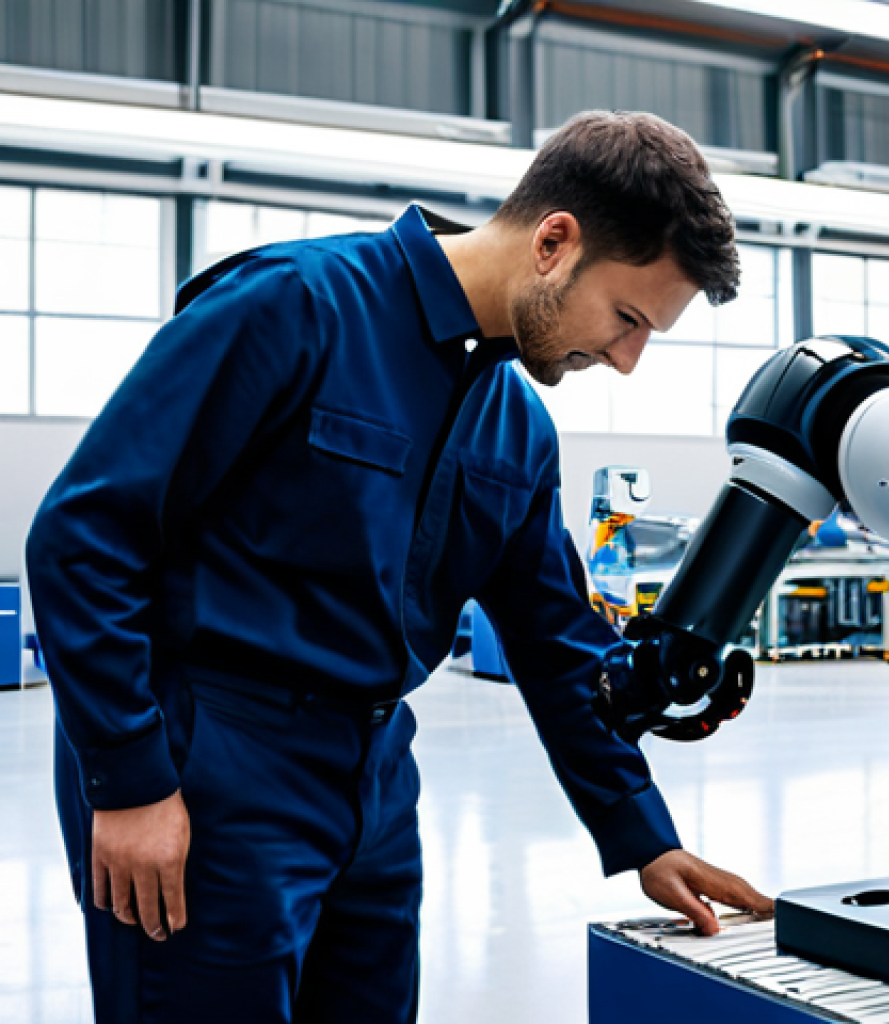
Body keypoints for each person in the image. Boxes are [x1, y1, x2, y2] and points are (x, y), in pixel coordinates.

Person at [26, 110, 773, 1024]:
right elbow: (84, 535)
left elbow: (556, 643)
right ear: (553, 242)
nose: (626, 360)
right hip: (210, 765)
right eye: (627, 318)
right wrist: (129, 779)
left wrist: (642, 834)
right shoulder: (294, 308)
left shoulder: (519, 431)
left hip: (377, 785)